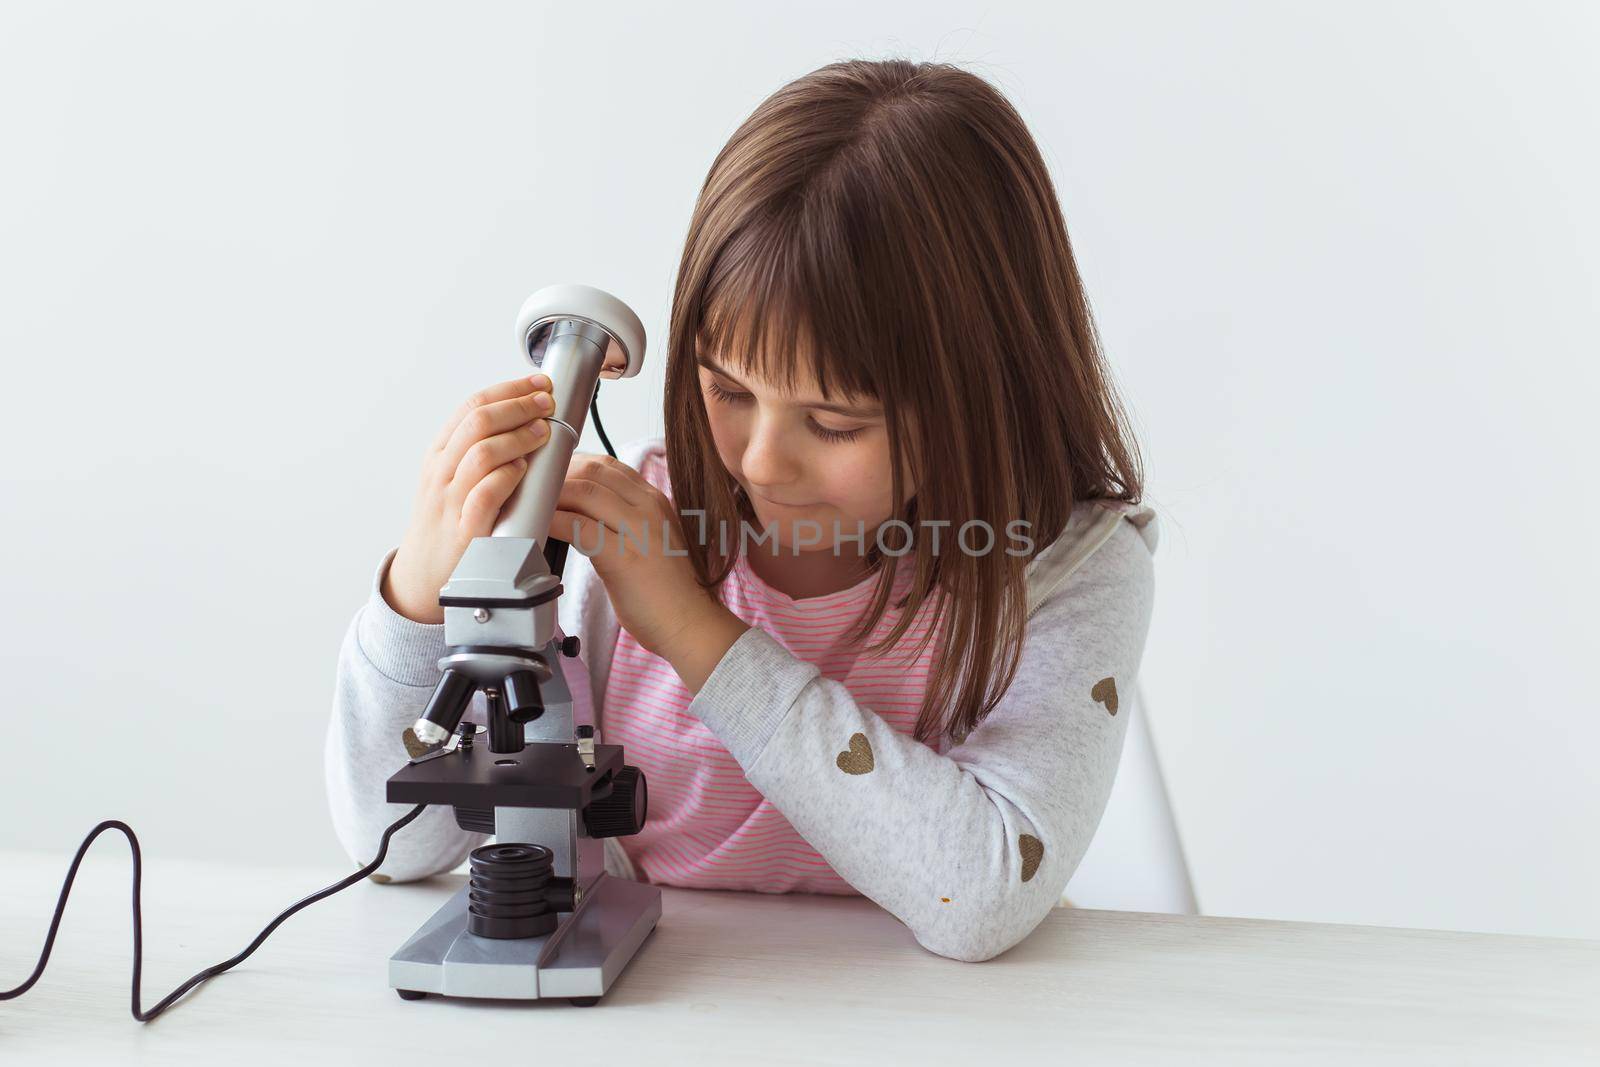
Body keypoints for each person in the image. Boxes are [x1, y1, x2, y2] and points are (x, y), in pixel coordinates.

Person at [325, 58, 1157, 963]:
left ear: (982, 389)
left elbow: (983, 895)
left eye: (833, 423)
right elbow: (392, 844)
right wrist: (417, 596)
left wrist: (693, 631)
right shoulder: (625, 537)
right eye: (727, 391)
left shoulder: (1068, 568)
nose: (762, 460)